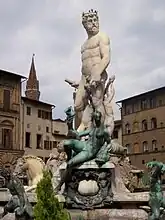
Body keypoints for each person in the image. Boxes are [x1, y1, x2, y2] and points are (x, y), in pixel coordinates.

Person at [65, 9, 111, 132]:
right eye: (90, 21)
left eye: (95, 20)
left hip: (98, 74)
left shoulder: (102, 37)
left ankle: (98, 132)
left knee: (97, 103)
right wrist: (79, 82)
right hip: (84, 78)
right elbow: (85, 65)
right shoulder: (84, 45)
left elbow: (106, 57)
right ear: (85, 25)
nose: (94, 23)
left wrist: (97, 73)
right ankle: (85, 125)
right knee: (78, 105)